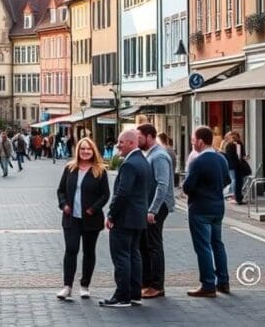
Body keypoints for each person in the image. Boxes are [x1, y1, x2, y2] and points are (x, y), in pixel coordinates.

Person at [100, 130, 152, 309]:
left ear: (131, 143)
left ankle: (122, 296)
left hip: (125, 218)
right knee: (134, 255)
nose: (118, 145)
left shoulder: (129, 164)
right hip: (138, 218)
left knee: (121, 256)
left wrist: (111, 214)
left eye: (121, 142)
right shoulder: (143, 161)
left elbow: (123, 193)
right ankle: (134, 294)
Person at [56, 137, 110, 300]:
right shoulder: (70, 169)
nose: (85, 152)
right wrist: (64, 204)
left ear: (93, 151)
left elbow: (105, 194)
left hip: (90, 219)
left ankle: (85, 285)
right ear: (77, 151)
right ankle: (67, 286)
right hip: (71, 218)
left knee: (88, 252)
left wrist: (93, 209)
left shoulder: (100, 170)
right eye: (82, 149)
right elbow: (60, 190)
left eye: (88, 149)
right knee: (71, 250)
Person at [182, 125, 231, 297]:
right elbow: (226, 180)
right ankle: (223, 282)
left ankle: (208, 284)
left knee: (203, 247)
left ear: (201, 142)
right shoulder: (221, 159)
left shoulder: (198, 161)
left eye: (193, 140)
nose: (192, 143)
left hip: (200, 208)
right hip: (218, 207)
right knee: (217, 244)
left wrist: (192, 189)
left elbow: (188, 187)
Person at [137, 123, 175, 299]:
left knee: (154, 245)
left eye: (139, 137)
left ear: (150, 137)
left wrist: (153, 209)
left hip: (158, 207)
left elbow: (162, 185)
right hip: (151, 206)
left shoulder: (159, 156)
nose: (137, 140)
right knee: (146, 244)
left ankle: (157, 286)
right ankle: (147, 282)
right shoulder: (151, 154)